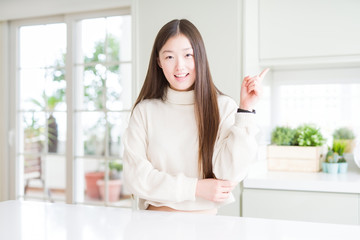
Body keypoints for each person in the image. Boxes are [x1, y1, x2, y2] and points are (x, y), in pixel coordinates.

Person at [123, 19, 268, 214]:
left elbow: (231, 173)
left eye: (188, 55)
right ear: (159, 62)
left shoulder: (223, 107)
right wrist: (196, 188)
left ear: (200, 57)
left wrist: (245, 111)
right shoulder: (145, 111)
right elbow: (135, 178)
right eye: (169, 57)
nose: (179, 67)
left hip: (207, 227)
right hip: (154, 224)